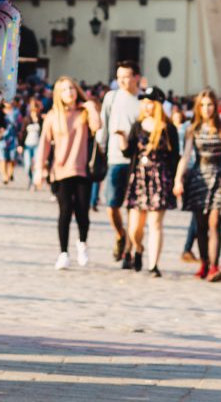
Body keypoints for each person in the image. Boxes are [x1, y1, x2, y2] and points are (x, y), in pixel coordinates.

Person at [34, 77, 101, 270]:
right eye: (64, 90)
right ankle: (63, 253)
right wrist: (39, 169)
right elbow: (44, 144)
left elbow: (97, 127)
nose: (69, 92)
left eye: (71, 88)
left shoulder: (83, 113)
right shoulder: (53, 116)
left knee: (82, 212)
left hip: (82, 169)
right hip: (61, 170)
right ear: (58, 94)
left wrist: (91, 108)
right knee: (64, 212)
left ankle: (82, 243)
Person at [174, 88, 221, 282]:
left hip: (218, 178)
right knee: (200, 226)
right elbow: (186, 156)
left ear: (215, 107)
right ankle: (204, 263)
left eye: (210, 105)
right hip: (199, 178)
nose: (207, 109)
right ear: (198, 107)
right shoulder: (194, 128)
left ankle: (215, 266)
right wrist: (178, 179)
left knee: (214, 223)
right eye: (203, 105)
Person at [124, 87, 180, 277]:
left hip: (160, 177)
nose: (147, 106)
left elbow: (175, 157)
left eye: (150, 102)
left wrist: (175, 181)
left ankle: (153, 265)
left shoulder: (168, 128)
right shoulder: (138, 125)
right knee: (134, 229)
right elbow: (129, 151)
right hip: (139, 177)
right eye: (144, 102)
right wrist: (122, 141)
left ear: (158, 104)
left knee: (155, 223)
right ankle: (138, 248)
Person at [97, 59, 142, 266]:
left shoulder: (143, 102)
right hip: (115, 158)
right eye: (119, 77)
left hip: (136, 162)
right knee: (112, 205)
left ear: (136, 78)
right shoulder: (111, 97)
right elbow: (104, 124)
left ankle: (129, 252)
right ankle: (120, 234)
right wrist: (101, 145)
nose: (122, 81)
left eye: (126, 77)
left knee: (133, 208)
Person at [22, 99, 43, 189]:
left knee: (36, 165)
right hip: (27, 145)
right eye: (33, 110)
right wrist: (20, 145)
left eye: (36, 110)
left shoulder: (41, 120)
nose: (34, 112)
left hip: (37, 145)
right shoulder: (27, 119)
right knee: (27, 165)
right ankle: (31, 179)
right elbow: (22, 132)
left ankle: (34, 182)